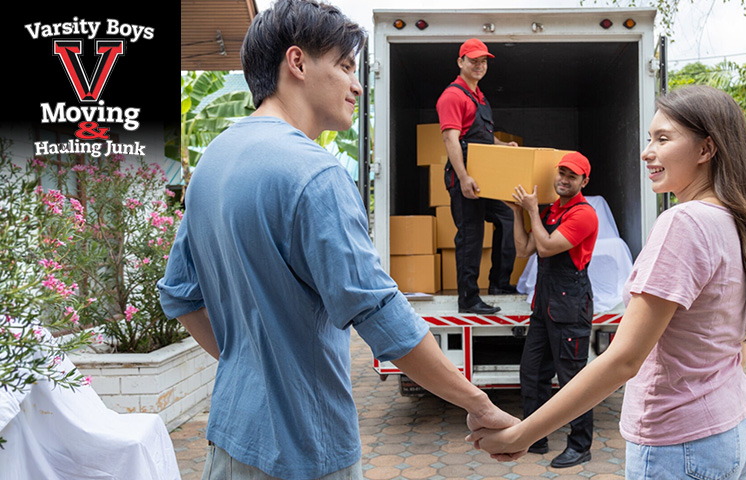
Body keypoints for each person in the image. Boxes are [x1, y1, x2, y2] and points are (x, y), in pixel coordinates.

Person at [156, 2, 518, 479]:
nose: (357, 84)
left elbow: (180, 296)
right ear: (298, 63)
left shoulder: (212, 164)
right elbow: (380, 315)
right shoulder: (315, 174)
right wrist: (477, 402)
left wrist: (256, 363)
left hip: (229, 438)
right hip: (304, 446)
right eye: (345, 66)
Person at [467, 85, 746, 480]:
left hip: (680, 443)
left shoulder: (682, 223)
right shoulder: (732, 218)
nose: (647, 151)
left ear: (706, 150)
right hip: (728, 425)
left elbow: (624, 360)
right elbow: (732, 342)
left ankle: (575, 444)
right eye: (649, 138)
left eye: (663, 139)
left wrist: (522, 435)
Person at [508, 152, 599, 468]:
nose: (563, 179)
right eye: (561, 173)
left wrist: (532, 211)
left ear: (583, 181)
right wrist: (518, 214)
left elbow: (546, 247)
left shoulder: (584, 214)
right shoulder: (551, 211)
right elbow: (524, 249)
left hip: (570, 305)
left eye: (571, 176)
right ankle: (535, 436)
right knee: (532, 372)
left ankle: (580, 444)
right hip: (546, 303)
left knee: (572, 379)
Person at [436, 38, 519, 314]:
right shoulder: (452, 96)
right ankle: (469, 299)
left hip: (486, 178)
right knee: (471, 236)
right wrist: (463, 177)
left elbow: (481, 136)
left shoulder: (479, 97)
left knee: (508, 218)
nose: (479, 65)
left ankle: (499, 283)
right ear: (461, 62)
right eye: (473, 60)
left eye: (483, 61)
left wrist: (502, 146)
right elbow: (451, 140)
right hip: (466, 179)